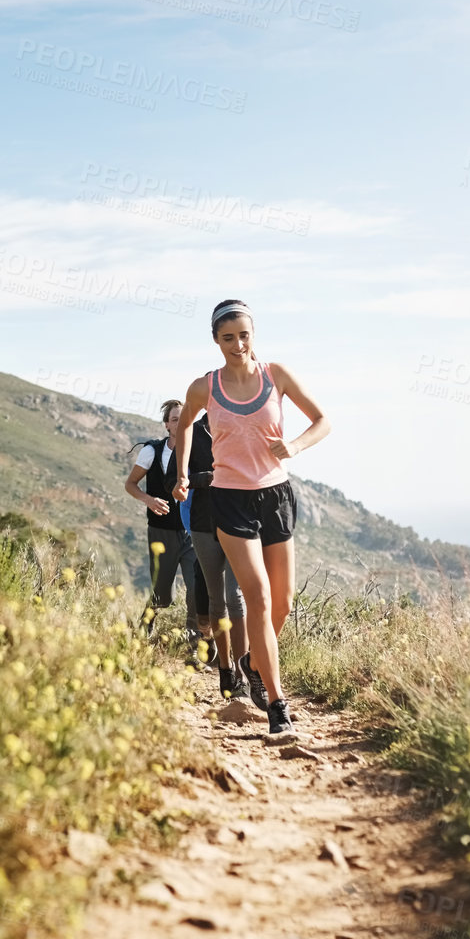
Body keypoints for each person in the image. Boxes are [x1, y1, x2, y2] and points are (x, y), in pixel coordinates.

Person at [171, 300, 331, 738]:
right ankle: (278, 705)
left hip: (276, 496)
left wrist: (294, 447)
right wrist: (183, 473)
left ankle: (253, 663)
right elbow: (184, 423)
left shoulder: (276, 375)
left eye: (244, 335)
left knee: (282, 604)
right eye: (228, 338)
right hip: (230, 499)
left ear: (253, 334)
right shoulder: (205, 387)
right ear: (216, 341)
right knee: (257, 597)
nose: (238, 345)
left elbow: (322, 421)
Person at [182, 412, 250, 700]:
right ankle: (224, 667)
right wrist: (206, 478)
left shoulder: (241, 428)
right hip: (203, 523)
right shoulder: (192, 432)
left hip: (238, 521)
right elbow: (180, 477)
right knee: (216, 600)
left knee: (236, 597)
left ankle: (242, 672)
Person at [125, 399, 203, 649]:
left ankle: (195, 646)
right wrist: (149, 500)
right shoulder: (153, 451)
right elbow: (130, 484)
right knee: (162, 595)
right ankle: (142, 633)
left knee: (195, 591)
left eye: (184, 418)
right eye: (174, 419)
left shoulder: (200, 449)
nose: (180, 423)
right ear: (166, 425)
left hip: (193, 532)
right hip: (161, 532)